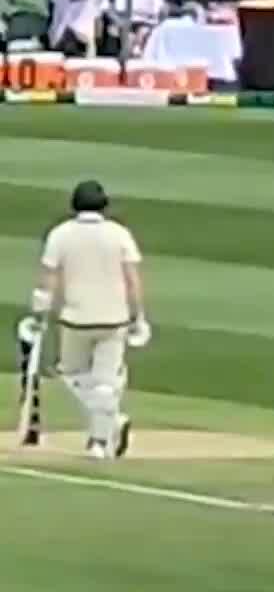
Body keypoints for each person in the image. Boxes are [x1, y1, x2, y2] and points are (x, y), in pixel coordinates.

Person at [30, 180, 148, 460]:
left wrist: (40, 313)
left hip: (76, 318)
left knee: (71, 374)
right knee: (106, 382)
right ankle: (101, 437)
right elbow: (132, 279)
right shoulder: (119, 234)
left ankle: (107, 429)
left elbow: (49, 279)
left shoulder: (60, 234)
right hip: (114, 319)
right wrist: (138, 316)